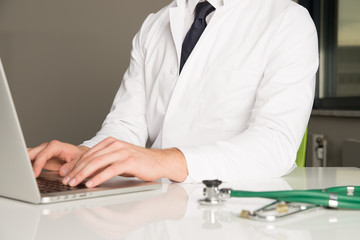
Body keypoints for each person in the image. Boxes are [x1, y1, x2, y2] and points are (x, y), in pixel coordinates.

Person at [28, 0, 319, 187]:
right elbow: (125, 127)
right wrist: (85, 157)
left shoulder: (287, 20)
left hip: (238, 213)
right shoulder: (155, 24)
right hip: (157, 209)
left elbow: (275, 145)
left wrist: (162, 160)